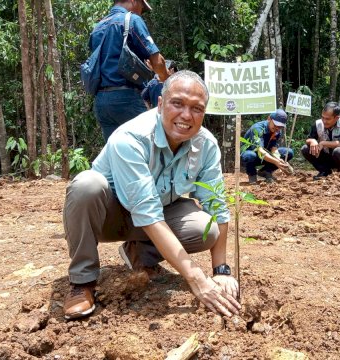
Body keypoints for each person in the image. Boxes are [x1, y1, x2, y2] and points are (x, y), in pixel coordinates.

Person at [62, 70, 240, 320]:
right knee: (86, 185)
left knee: (206, 229)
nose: (186, 116)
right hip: (108, 217)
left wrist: (220, 270)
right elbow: (147, 213)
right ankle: (83, 282)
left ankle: (140, 253)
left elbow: (216, 206)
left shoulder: (206, 145)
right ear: (160, 104)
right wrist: (196, 278)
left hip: (157, 214)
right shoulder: (131, 137)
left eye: (196, 108)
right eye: (177, 103)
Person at [89, 0, 170, 142]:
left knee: (116, 152)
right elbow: (157, 62)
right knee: (149, 148)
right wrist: (167, 80)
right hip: (126, 98)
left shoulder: (98, 27)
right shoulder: (131, 20)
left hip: (101, 101)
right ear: (133, 1)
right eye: (142, 8)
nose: (141, 12)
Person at [301, 102, 340, 179]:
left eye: (327, 119)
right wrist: (312, 141)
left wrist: (323, 143)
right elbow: (309, 139)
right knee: (305, 149)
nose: (324, 121)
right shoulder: (318, 123)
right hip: (326, 157)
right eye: (322, 117)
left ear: (336, 118)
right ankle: (324, 171)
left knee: (339, 151)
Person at [240, 109, 294, 184]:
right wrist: (276, 162)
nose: (277, 128)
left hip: (266, 155)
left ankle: (266, 171)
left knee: (288, 152)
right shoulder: (257, 128)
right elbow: (260, 151)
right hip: (254, 155)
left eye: (280, 126)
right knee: (249, 155)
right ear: (269, 119)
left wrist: (279, 160)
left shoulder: (277, 131)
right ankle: (252, 175)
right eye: (275, 125)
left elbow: (273, 148)